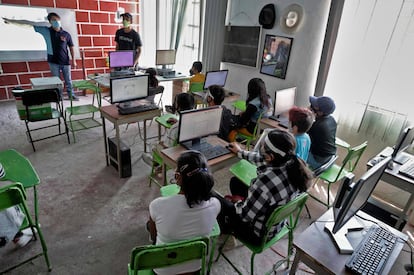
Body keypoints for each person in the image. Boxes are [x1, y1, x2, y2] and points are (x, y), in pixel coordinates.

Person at [216, 129, 313, 245]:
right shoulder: (292, 164)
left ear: (270, 157)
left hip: (257, 235)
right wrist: (240, 152)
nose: (260, 148)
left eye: (263, 147)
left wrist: (237, 203)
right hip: (276, 225)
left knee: (216, 200)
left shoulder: (264, 182)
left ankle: (226, 230)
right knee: (236, 182)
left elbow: (244, 216)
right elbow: (260, 158)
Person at [147, 150, 220, 275]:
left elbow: (154, 237)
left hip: (163, 270)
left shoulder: (158, 205)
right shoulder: (215, 204)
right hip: (195, 269)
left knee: (150, 225)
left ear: (178, 178)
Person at [47, 12, 78, 100]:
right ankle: (59, 96)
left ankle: (71, 95)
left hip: (65, 61)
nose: (56, 21)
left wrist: (74, 60)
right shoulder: (48, 32)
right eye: (53, 20)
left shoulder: (66, 34)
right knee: (56, 81)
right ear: (50, 22)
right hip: (53, 62)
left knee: (68, 80)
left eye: (57, 20)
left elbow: (71, 47)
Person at [307, 96, 337, 169]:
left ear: (320, 112)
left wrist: (307, 115)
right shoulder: (332, 120)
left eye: (312, 106)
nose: (309, 107)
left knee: (293, 150)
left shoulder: (318, 126)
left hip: (319, 162)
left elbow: (301, 135)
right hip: (331, 159)